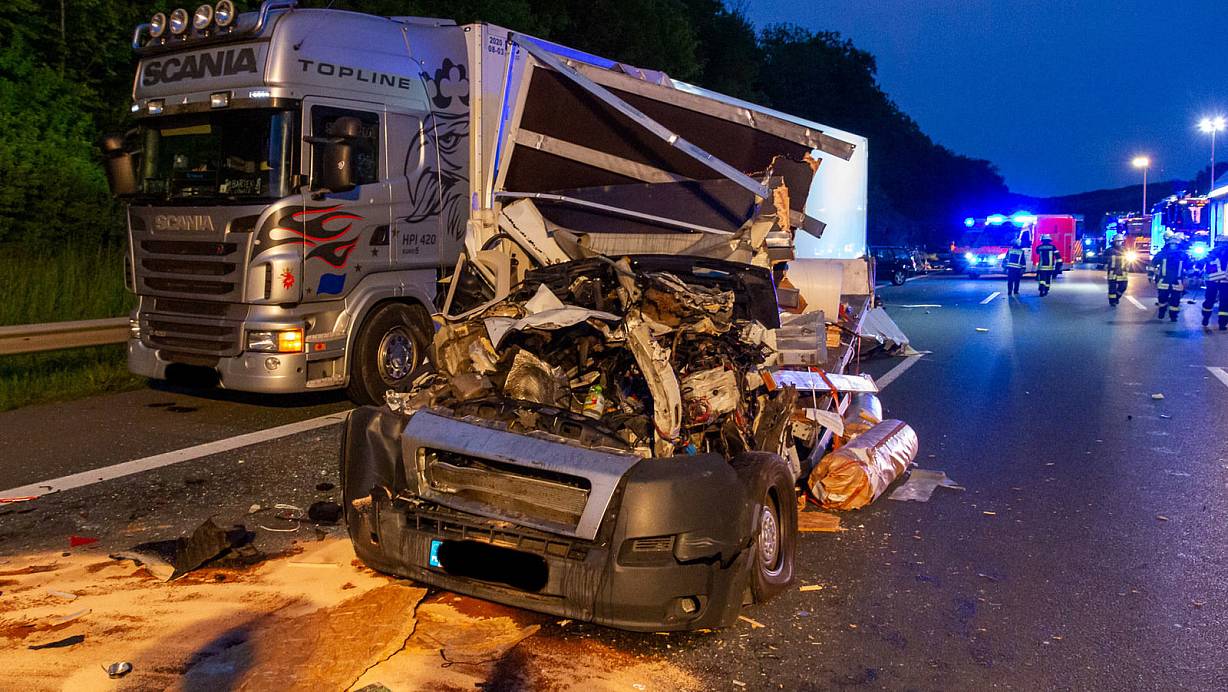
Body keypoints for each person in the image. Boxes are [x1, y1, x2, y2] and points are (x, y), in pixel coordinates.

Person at [1151, 235, 1189, 321]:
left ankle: (1173, 316)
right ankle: (1162, 311)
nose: (1173, 246)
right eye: (1172, 244)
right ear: (1168, 244)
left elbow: (1188, 266)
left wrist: (1193, 273)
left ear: (1178, 245)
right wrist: (1150, 274)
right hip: (1164, 281)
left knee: (1175, 301)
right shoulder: (1162, 254)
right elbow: (1153, 263)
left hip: (1177, 282)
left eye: (1175, 244)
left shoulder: (1183, 255)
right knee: (1162, 299)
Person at [1201, 242, 1228, 330]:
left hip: (1212, 281)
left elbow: (1203, 264)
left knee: (1209, 300)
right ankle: (1222, 324)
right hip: (1225, 282)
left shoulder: (1212, 253)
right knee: (1224, 303)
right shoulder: (1213, 253)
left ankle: (1206, 318)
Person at [1105, 235, 1128, 306]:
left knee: (1123, 287)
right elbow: (1103, 259)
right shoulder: (1109, 250)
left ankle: (1117, 297)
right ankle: (1112, 302)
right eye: (1117, 241)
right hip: (1112, 272)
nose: (1119, 243)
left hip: (1122, 272)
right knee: (1112, 288)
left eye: (1120, 241)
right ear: (1114, 242)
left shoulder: (1125, 250)